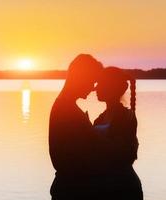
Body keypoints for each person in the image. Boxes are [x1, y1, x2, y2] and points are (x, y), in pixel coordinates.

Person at [49, 54, 111, 199]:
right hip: (72, 191)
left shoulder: (65, 106)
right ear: (80, 78)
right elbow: (71, 158)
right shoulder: (66, 110)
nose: (93, 88)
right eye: (91, 81)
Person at [93, 66, 143, 199]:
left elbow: (124, 154)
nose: (96, 88)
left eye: (101, 83)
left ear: (112, 87)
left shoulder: (127, 117)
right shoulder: (99, 119)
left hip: (124, 187)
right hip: (106, 185)